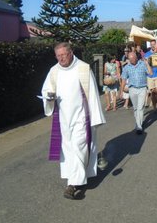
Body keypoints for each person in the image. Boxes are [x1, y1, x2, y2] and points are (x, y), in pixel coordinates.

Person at [41, 42, 106, 200]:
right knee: (70, 150)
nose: (61, 58)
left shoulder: (83, 68)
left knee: (78, 147)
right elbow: (46, 90)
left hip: (81, 118)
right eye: (58, 56)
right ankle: (77, 177)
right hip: (63, 119)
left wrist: (95, 117)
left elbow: (92, 94)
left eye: (64, 54)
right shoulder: (54, 71)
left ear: (71, 53)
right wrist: (49, 96)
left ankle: (72, 185)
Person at [120, 51, 152, 134]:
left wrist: (147, 63)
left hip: (142, 88)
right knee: (135, 108)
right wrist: (121, 91)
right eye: (130, 59)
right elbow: (123, 79)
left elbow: (150, 73)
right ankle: (138, 123)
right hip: (132, 89)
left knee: (140, 108)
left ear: (136, 58)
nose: (131, 61)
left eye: (133, 59)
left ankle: (139, 126)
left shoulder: (142, 64)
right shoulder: (126, 67)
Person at [143, 39, 157, 113]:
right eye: (152, 44)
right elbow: (145, 64)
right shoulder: (147, 54)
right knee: (153, 93)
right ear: (150, 45)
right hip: (150, 76)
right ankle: (154, 107)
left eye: (154, 44)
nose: (153, 45)